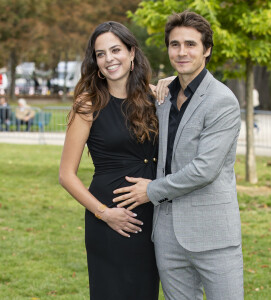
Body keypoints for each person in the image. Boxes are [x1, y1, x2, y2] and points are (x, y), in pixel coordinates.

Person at [113, 11, 244, 300]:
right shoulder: (162, 96)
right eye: (175, 45)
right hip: (167, 235)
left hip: (214, 235)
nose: (182, 52)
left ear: (207, 50)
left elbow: (205, 170)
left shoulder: (222, 101)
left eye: (191, 44)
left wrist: (151, 190)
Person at [59, 21, 160, 300]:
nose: (108, 59)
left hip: (152, 215)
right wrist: (104, 213)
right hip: (110, 217)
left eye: (115, 50)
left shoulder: (155, 98)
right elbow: (66, 174)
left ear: (131, 53)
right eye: (100, 54)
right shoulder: (88, 104)